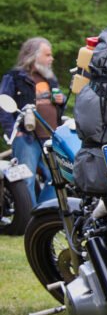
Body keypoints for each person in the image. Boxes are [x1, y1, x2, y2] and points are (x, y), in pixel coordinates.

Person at [0, 37, 65, 205]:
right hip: (26, 137)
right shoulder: (15, 77)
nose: (52, 59)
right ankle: (28, 220)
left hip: (50, 137)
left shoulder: (50, 78)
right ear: (34, 56)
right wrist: (14, 133)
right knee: (26, 180)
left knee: (56, 178)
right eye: (48, 55)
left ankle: (42, 215)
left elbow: (57, 106)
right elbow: (3, 105)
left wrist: (61, 100)